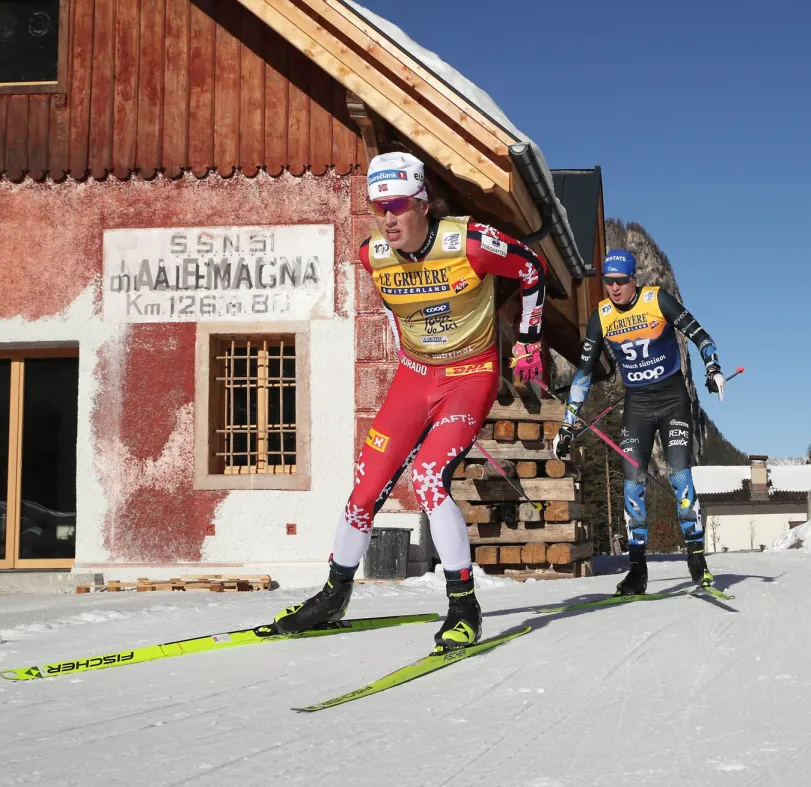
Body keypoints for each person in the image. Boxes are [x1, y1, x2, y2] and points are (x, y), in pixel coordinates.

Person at [272, 151, 547, 651]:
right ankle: (335, 593)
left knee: (426, 477)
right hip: (415, 377)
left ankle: (464, 603)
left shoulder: (468, 243)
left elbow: (531, 266)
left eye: (397, 205)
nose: (387, 218)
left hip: (469, 375)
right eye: (379, 207)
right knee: (365, 484)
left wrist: (528, 339)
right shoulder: (370, 254)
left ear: (422, 203)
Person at [552, 249, 726, 595]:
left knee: (680, 477)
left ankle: (697, 560)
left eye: (621, 281)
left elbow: (701, 335)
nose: (614, 289)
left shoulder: (656, 299)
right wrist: (568, 424)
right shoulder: (601, 316)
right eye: (608, 282)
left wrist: (712, 367)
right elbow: (583, 376)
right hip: (638, 407)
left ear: (634, 280)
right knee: (631, 487)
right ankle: (637, 570)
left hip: (673, 400)